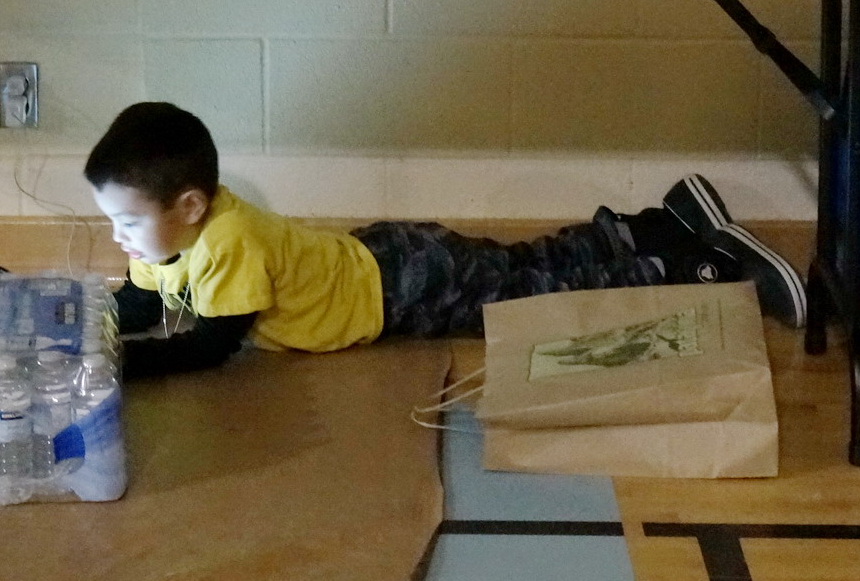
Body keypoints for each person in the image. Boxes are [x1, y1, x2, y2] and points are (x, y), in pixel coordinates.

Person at [87, 102, 806, 378]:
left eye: (128, 221)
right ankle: (647, 229)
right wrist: (87, 330)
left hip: (403, 290)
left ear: (189, 205)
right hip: (385, 257)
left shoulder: (227, 241)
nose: (118, 237)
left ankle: (700, 268)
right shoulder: (164, 243)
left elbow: (210, 348)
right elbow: (141, 305)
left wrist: (117, 367)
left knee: (534, 297)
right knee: (519, 267)